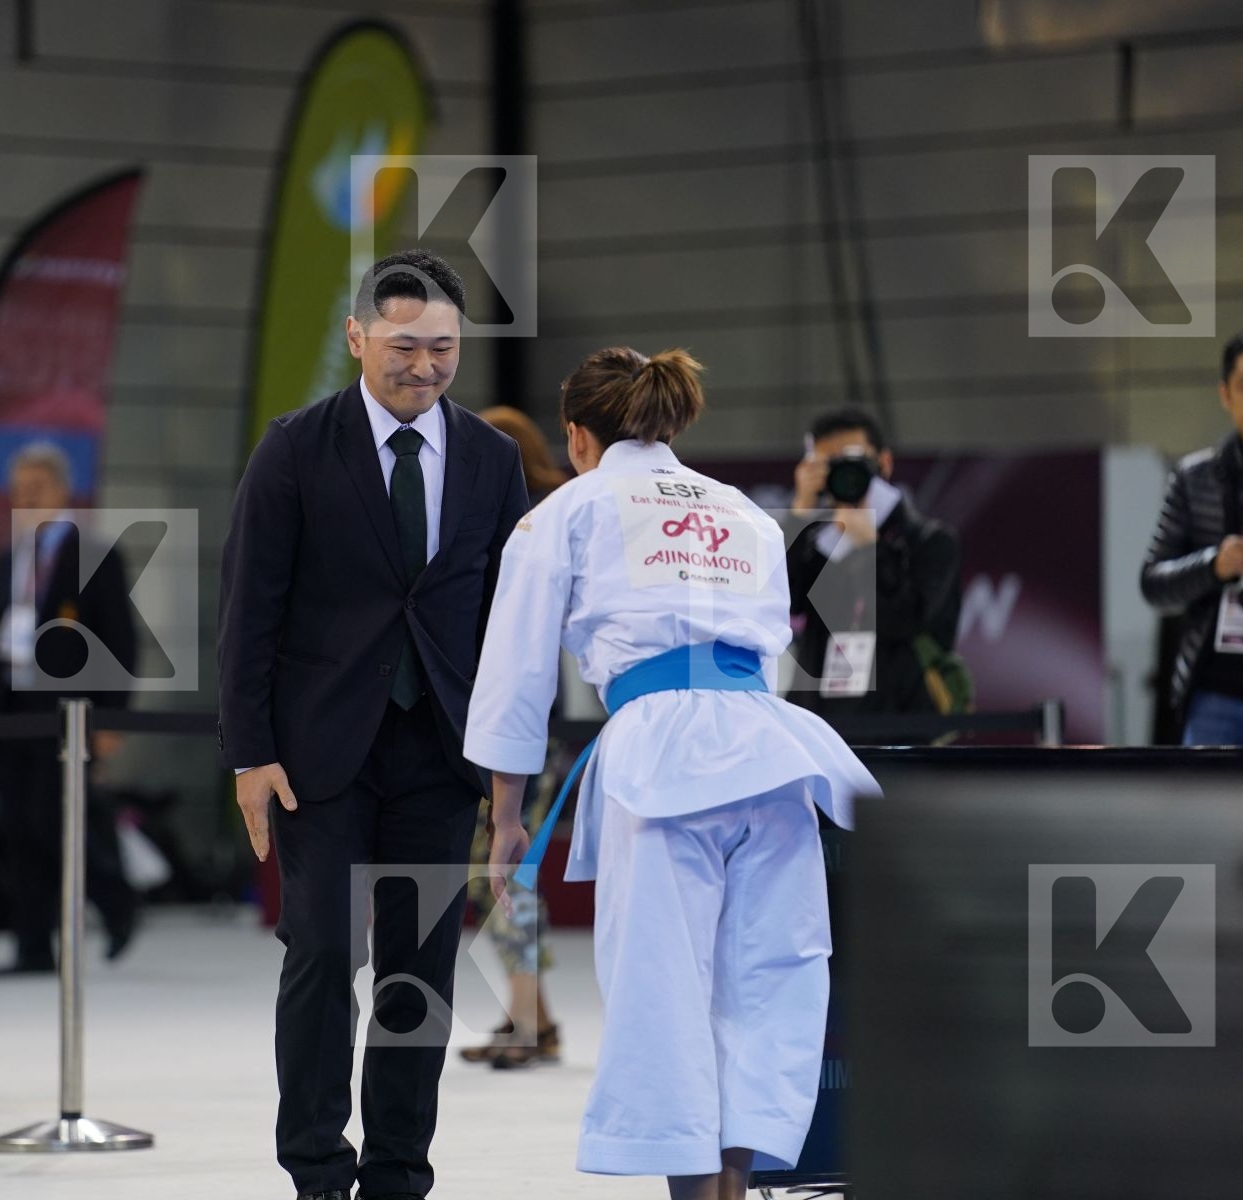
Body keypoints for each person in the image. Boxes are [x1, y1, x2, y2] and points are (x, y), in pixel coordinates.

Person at [464, 347, 877, 1200]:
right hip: (768, 749)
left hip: (661, 754)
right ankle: (736, 1183)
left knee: (663, 982)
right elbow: (773, 643)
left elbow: (517, 670)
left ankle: (694, 1195)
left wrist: (508, 815)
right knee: (768, 981)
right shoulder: (750, 517)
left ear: (577, 436)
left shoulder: (569, 510)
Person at [218, 249, 528, 1200]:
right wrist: (250, 754)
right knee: (319, 951)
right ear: (357, 337)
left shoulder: (491, 456)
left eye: (443, 348)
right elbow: (248, 611)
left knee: (421, 966)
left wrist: (511, 772)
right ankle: (315, 1167)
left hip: (439, 753)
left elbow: (508, 623)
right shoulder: (294, 448)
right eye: (403, 346)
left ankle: (398, 1172)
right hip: (317, 756)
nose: (424, 366)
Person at [0, 442, 138, 976]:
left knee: (56, 824)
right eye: (18, 490)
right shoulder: (8, 557)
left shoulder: (94, 555)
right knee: (17, 828)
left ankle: (116, 901)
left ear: (62, 492)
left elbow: (120, 641)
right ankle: (32, 947)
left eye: (35, 489)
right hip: (12, 708)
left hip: (67, 712)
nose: (25, 498)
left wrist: (112, 718)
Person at [458, 406, 567, 1070]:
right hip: (498, 719)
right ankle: (534, 1018)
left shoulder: (536, 522)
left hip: (523, 725)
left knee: (504, 876)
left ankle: (528, 1021)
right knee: (490, 877)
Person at [786, 408, 963, 724]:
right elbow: (785, 600)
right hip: (822, 727)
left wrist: (867, 549)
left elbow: (907, 620)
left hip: (901, 728)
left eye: (854, 460)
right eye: (830, 464)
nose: (844, 473)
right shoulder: (817, 541)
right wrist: (799, 512)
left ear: (883, 463)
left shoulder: (929, 543)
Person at [1143, 332, 1243, 744]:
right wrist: (1213, 566)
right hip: (1217, 694)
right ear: (1226, 394)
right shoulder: (1194, 478)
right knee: (1207, 806)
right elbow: (1153, 584)